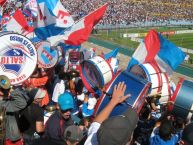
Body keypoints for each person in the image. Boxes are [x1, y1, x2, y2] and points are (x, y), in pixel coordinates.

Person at [0, 75, 29, 144]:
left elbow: (26, 99)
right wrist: (11, 90)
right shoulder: (3, 103)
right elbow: (22, 104)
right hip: (7, 137)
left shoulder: (6, 100)